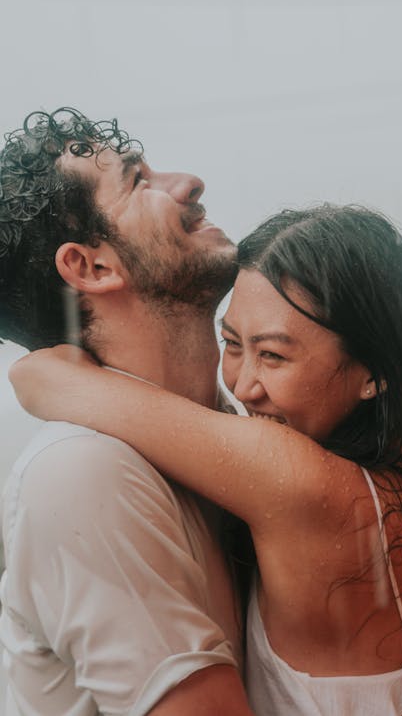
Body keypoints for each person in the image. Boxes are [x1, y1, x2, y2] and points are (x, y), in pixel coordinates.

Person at [11, 204, 402, 715]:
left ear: (374, 373)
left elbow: (48, 381)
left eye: (274, 356)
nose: (242, 384)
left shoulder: (308, 487)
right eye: (232, 343)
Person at [0, 108, 254, 715]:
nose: (189, 183)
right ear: (92, 267)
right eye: (138, 181)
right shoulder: (85, 474)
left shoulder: (237, 430)